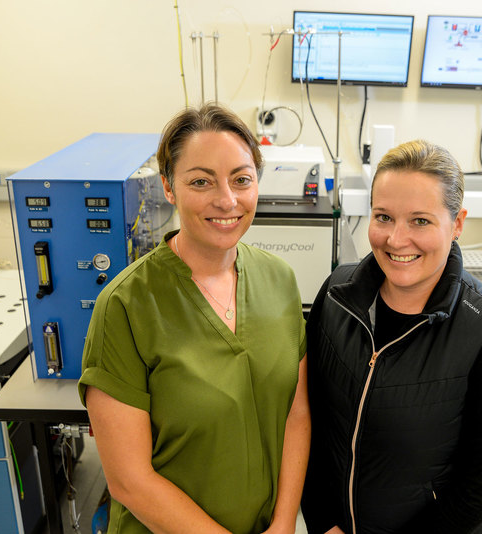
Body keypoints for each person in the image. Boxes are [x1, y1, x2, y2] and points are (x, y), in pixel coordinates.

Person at [79, 103, 310, 534]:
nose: (227, 200)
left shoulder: (279, 280)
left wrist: (282, 523)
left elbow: (295, 414)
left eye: (242, 179)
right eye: (201, 181)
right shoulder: (126, 306)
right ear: (168, 187)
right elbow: (129, 482)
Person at [301, 140, 482, 534]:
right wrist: (324, 521)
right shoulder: (337, 296)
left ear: (457, 223)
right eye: (384, 217)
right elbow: (311, 421)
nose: (395, 239)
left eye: (420, 221)